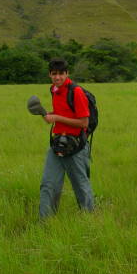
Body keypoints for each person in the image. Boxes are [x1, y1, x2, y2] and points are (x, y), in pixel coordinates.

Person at [40, 58, 94, 219]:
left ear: (67, 73)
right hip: (58, 143)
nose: (58, 78)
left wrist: (56, 117)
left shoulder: (76, 92)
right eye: (54, 74)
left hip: (76, 145)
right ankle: (45, 223)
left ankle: (89, 220)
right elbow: (64, 112)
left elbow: (84, 122)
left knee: (81, 186)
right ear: (49, 75)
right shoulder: (54, 90)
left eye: (61, 74)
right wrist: (51, 114)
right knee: (48, 184)